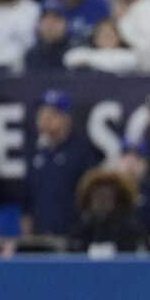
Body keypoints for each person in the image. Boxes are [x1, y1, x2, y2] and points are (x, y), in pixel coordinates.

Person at [21, 90, 99, 238]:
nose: (44, 119)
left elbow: (91, 195)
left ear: (66, 118)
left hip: (73, 235)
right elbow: (28, 197)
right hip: (40, 234)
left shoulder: (82, 151)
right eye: (41, 114)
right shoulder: (35, 152)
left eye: (51, 115)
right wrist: (27, 229)